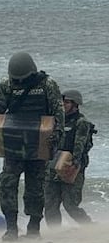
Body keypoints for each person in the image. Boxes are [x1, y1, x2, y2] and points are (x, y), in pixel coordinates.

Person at [0, 51, 64, 241]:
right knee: (7, 183)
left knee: (36, 187)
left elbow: (58, 113)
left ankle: (34, 227)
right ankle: (11, 227)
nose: (19, 81)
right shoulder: (7, 85)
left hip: (39, 144)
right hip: (13, 144)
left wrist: (56, 138)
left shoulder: (47, 84)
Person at [44, 89, 95, 226]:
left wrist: (74, 164)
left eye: (66, 102)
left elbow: (80, 145)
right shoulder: (57, 121)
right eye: (62, 102)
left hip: (72, 167)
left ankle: (89, 227)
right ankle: (55, 232)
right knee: (50, 204)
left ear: (75, 104)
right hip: (53, 165)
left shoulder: (81, 122)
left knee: (70, 205)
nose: (63, 105)